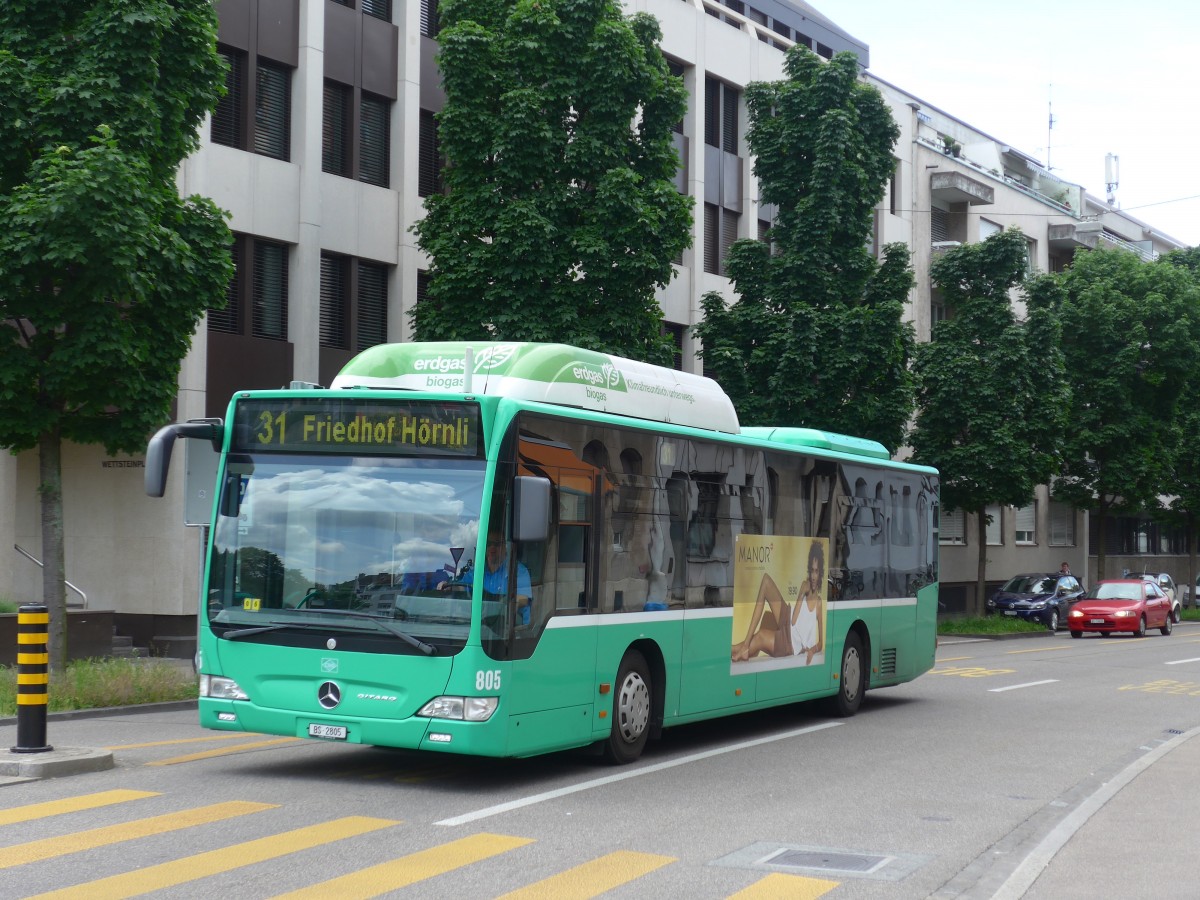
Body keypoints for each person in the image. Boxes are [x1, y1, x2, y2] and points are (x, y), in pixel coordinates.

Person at [731, 542, 825, 664]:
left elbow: (821, 643)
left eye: (816, 571)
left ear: (820, 574)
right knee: (766, 581)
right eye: (811, 571)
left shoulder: (818, 603)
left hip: (788, 642)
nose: (813, 576)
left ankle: (737, 648)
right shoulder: (804, 586)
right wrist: (802, 593)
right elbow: (794, 620)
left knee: (760, 636)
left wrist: (812, 650)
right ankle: (745, 646)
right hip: (787, 615)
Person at [440, 534, 533, 624]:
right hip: (480, 627)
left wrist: (502, 604)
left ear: (505, 547)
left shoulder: (518, 570)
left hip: (512, 630)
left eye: (497, 544)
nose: (492, 547)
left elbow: (523, 598)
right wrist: (449, 586)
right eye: (488, 544)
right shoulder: (476, 572)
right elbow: (461, 587)